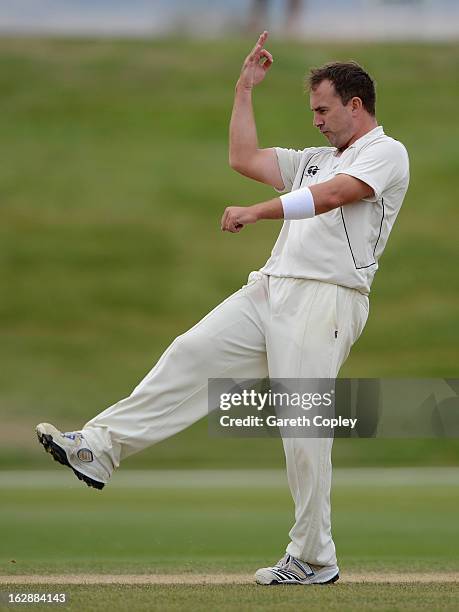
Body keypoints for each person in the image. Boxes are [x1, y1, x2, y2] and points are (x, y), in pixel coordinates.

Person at [36, 31, 409, 585]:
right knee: (191, 353)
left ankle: (313, 558)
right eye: (312, 111)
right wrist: (243, 89)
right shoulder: (314, 159)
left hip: (326, 298)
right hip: (270, 289)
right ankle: (98, 447)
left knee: (301, 429)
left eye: (323, 110)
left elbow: (333, 197)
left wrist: (257, 212)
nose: (316, 121)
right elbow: (243, 157)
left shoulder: (386, 152)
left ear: (355, 105)